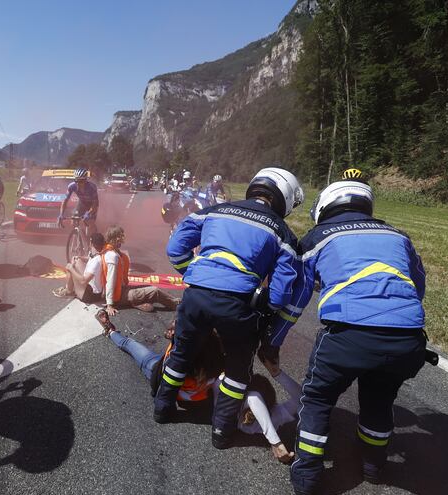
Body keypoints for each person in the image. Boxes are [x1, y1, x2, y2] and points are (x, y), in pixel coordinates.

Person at [262, 179, 427, 495]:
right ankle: (373, 465)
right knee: (379, 399)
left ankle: (307, 476)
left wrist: (274, 339)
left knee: (318, 399)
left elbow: (297, 298)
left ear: (326, 206)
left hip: (349, 334)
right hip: (407, 338)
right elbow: (417, 285)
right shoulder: (398, 235)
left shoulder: (317, 237)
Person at [154, 167, 303, 449]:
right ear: (283, 197)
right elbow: (282, 293)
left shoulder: (214, 209)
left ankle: (162, 409)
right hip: (238, 306)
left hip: (196, 297)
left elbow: (175, 249)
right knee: (237, 370)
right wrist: (263, 305)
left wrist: (196, 275)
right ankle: (221, 433)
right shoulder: (282, 232)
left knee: (182, 354)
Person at [95, 310, 299, 463]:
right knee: (135, 348)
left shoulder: (223, 390)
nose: (247, 416)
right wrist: (274, 439)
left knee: (133, 347)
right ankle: (112, 332)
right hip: (176, 374)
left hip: (161, 371)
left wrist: (275, 442)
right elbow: (260, 399)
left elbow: (255, 398)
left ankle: (112, 332)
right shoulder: (227, 395)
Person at [101, 225, 181, 315]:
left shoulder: (110, 252)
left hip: (121, 291)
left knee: (146, 288)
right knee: (154, 291)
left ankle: (137, 302)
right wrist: (110, 305)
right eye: (121, 237)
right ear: (116, 238)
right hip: (119, 296)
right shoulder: (112, 256)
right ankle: (177, 305)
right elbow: (110, 281)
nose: (123, 240)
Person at [52, 232, 106, 302]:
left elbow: (83, 281)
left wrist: (71, 269)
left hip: (90, 296)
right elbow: (89, 258)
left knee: (71, 266)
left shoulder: (97, 261)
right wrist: (80, 257)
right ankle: (68, 289)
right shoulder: (97, 253)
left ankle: (68, 291)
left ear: (91, 243)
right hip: (91, 290)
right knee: (76, 260)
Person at [58, 168, 99, 236]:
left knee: (89, 223)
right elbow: (65, 200)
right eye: (76, 180)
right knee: (73, 222)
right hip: (82, 203)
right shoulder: (72, 186)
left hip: (92, 205)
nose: (78, 183)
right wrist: (61, 214)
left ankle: (92, 239)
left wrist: (88, 213)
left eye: (81, 181)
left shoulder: (92, 187)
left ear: (85, 180)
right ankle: (79, 237)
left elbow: (95, 205)